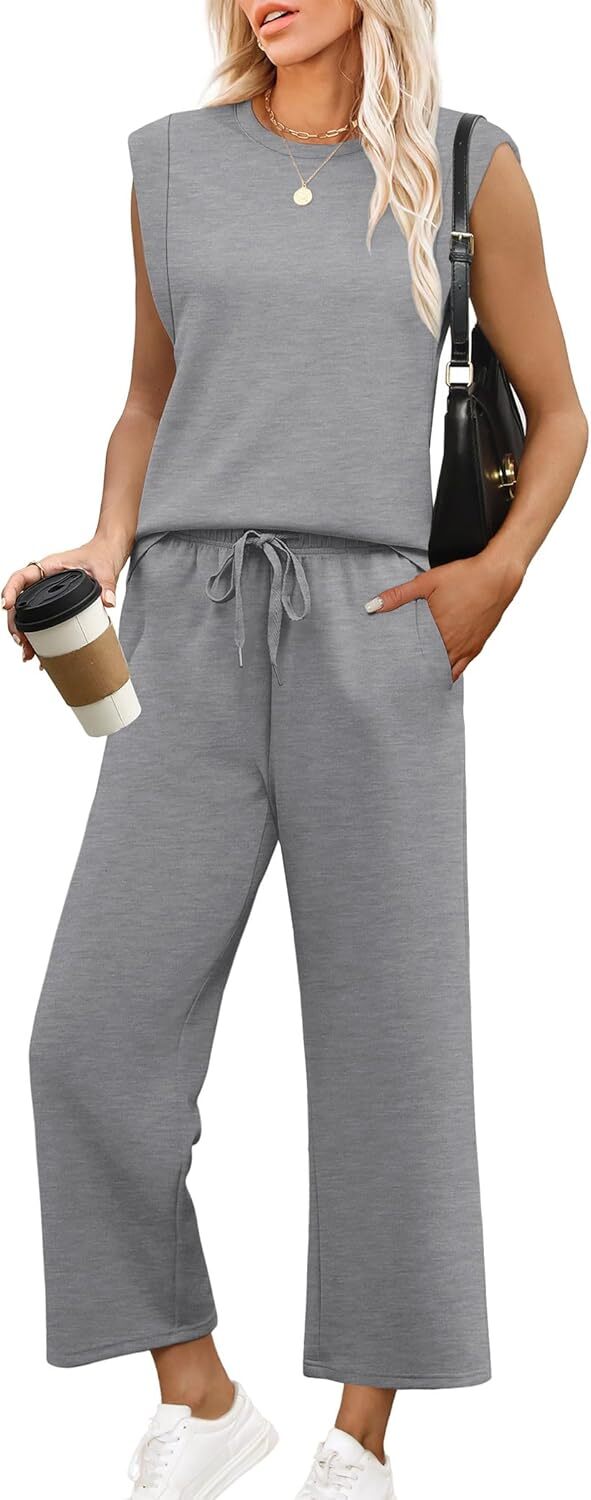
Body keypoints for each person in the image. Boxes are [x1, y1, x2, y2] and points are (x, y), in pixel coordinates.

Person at [3, 2, 587, 1497]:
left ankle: (362, 1435)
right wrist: (104, 547)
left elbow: (560, 412)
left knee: (392, 1041)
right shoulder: (170, 162)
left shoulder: (467, 164)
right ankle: (199, 1396)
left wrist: (497, 575)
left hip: (378, 629)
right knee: (86, 1040)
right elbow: (150, 398)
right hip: (184, 627)